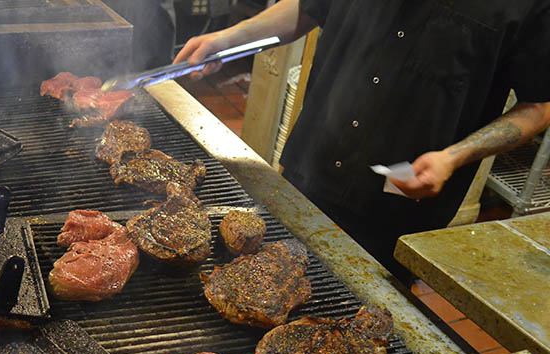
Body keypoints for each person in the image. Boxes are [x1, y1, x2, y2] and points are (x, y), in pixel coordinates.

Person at [174, 0, 550, 283]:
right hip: (310, 170)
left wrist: (454, 157)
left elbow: (539, 106)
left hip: (399, 208)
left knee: (355, 335)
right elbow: (307, 9)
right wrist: (227, 38)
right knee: (264, 281)